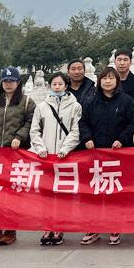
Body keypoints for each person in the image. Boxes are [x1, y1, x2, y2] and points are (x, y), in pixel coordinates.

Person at [78, 67, 134, 246]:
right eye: (104, 78)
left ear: (116, 81)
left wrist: (122, 139)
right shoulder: (90, 101)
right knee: (93, 194)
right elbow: (83, 122)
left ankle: (115, 227)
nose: (108, 82)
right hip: (95, 155)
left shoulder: (126, 101)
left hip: (118, 155)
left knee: (115, 194)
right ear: (99, 81)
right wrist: (87, 138)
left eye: (111, 78)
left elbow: (133, 122)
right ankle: (93, 228)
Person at [0, 66, 36, 246]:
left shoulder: (26, 102)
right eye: (5, 81)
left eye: (12, 81)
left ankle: (10, 229)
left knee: (11, 194)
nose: (8, 84)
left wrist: (19, 137)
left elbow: (31, 123)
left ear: (18, 82)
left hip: (15, 155)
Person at [29, 72, 82, 246]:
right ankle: (47, 227)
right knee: (46, 194)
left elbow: (76, 130)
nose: (57, 87)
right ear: (49, 86)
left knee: (62, 193)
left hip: (65, 156)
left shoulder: (75, 106)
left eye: (60, 84)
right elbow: (34, 130)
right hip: (46, 157)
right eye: (54, 84)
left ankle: (59, 227)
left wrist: (66, 149)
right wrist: (40, 148)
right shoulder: (42, 107)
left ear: (66, 86)